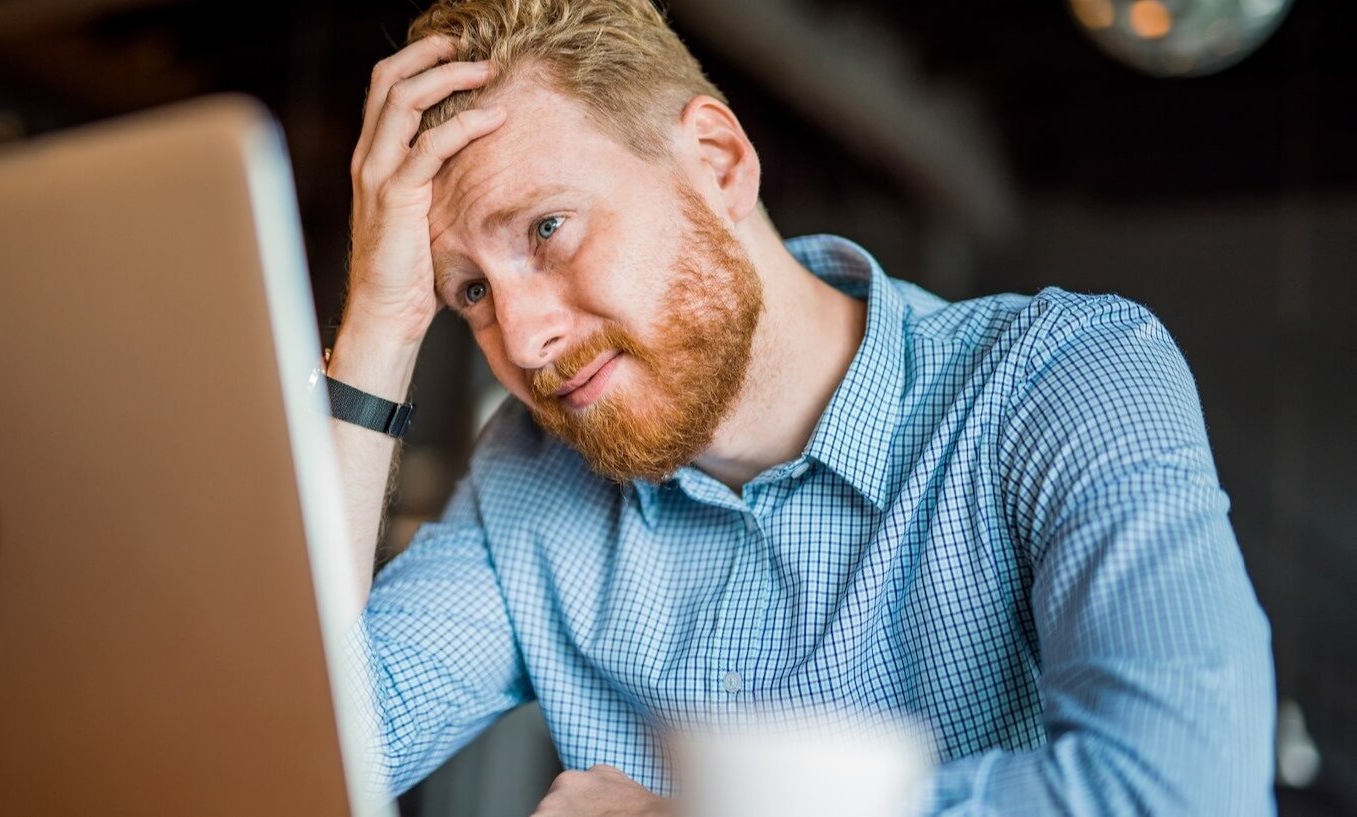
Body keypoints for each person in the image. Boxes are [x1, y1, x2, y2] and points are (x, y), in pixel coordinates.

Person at [326, 0, 1276, 813]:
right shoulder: (527, 475)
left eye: (546, 228)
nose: (522, 342)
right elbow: (291, 766)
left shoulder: (1057, 380)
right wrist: (379, 324)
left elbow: (1186, 790)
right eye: (470, 295)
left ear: (718, 160)